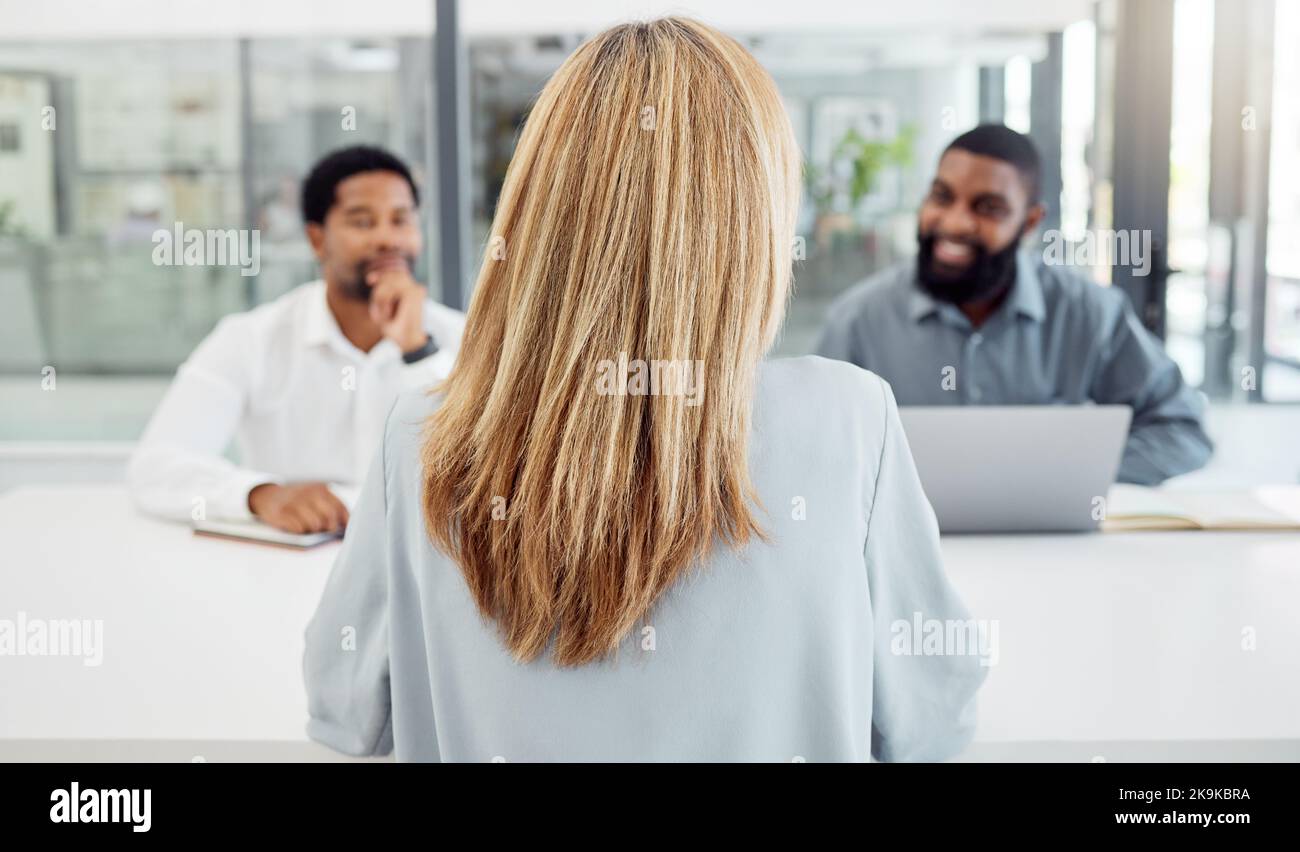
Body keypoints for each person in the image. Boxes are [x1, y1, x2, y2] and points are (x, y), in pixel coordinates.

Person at [303, 17, 985, 762]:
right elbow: (930, 718)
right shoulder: (849, 419)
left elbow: (345, 710)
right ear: (755, 215)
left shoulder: (422, 434)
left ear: (536, 209)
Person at [814, 124, 1213, 486]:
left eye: (988, 208)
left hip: (1050, 555)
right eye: (942, 197)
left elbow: (1183, 429)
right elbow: (816, 445)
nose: (955, 223)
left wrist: (1071, 478)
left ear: (1029, 223)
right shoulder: (858, 320)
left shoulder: (1089, 313)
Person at [129, 146, 465, 533]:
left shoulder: (464, 337)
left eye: (401, 220)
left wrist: (417, 350)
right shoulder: (251, 339)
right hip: (289, 565)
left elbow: (480, 474)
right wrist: (262, 495)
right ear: (317, 239)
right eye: (362, 222)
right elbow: (156, 466)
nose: (387, 239)